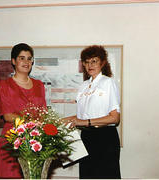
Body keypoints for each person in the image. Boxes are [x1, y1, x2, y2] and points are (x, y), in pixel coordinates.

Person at [63, 45, 121, 179]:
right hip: (86, 138)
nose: (90, 65)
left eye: (94, 61)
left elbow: (114, 118)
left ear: (102, 62)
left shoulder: (108, 82)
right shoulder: (83, 86)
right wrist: (56, 121)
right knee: (87, 175)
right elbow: (81, 117)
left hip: (105, 138)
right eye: (86, 62)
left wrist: (85, 122)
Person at [0, 43, 46, 178]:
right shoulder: (4, 85)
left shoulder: (39, 85)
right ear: (13, 61)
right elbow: (7, 116)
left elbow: (43, 113)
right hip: (13, 140)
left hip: (36, 139)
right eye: (22, 58)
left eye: (29, 58)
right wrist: (32, 121)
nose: (26, 62)